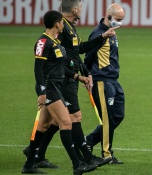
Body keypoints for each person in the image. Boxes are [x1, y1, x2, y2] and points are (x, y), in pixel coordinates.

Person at [22, 0, 118, 168]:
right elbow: (56, 57)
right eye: (80, 7)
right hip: (62, 78)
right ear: (74, 9)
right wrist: (68, 76)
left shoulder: (69, 28)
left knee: (52, 121)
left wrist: (102, 37)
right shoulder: (60, 29)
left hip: (69, 76)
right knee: (73, 118)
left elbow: (79, 49)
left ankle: (36, 152)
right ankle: (84, 159)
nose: (82, 10)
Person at [22, 10, 96, 174]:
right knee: (66, 123)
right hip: (49, 88)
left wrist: (77, 76)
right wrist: (41, 92)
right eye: (62, 22)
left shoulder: (55, 42)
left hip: (57, 86)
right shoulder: (43, 42)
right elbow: (38, 70)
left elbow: (60, 68)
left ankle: (28, 165)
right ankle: (77, 164)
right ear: (57, 23)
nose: (64, 25)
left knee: (43, 126)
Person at [84, 3, 125, 164]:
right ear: (108, 17)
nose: (120, 23)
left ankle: (89, 141)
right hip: (102, 81)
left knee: (118, 115)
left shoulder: (111, 33)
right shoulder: (98, 34)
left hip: (114, 81)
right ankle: (107, 154)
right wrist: (87, 76)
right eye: (118, 19)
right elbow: (88, 57)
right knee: (107, 119)